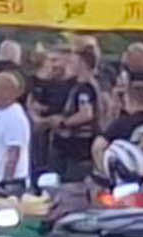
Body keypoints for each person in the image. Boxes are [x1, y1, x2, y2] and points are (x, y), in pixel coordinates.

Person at [43, 46, 101, 181]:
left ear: (82, 63)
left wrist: (63, 123)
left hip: (76, 150)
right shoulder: (77, 85)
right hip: (67, 149)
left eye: (73, 61)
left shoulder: (85, 88)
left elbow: (86, 113)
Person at [0, 72, 32, 189]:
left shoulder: (14, 116)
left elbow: (14, 151)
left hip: (9, 183)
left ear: (7, 92)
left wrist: (7, 182)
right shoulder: (0, 112)